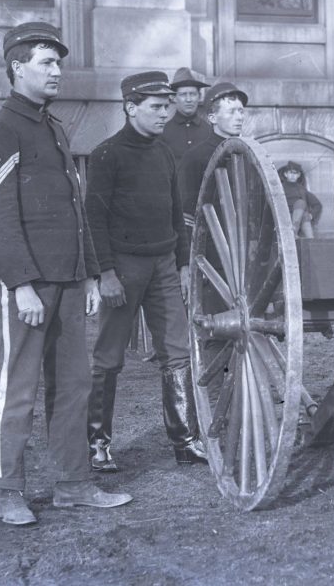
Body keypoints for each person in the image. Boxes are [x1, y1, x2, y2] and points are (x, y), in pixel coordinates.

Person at [0, 21, 132, 525]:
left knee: (73, 386)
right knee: (18, 388)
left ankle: (73, 484)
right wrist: (20, 284)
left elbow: (75, 209)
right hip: (31, 286)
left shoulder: (54, 127)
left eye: (58, 62)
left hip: (67, 282)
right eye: (46, 62)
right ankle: (9, 491)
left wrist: (86, 275)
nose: (56, 71)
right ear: (17, 67)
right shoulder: (1, 129)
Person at [85, 71, 208, 472]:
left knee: (176, 351)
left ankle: (185, 440)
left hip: (164, 266)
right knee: (108, 357)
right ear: (130, 107)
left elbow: (178, 215)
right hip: (122, 268)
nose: (163, 114)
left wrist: (185, 263)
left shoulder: (163, 153)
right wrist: (105, 273)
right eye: (155, 107)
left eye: (166, 106)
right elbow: (94, 220)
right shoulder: (106, 155)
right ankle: (98, 443)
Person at [179, 81, 249, 230]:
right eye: (231, 112)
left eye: (241, 111)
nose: (239, 117)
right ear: (212, 118)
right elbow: (188, 214)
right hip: (211, 245)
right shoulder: (194, 157)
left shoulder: (250, 155)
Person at [161, 67, 210, 160]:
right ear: (173, 97)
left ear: (199, 97)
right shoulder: (163, 133)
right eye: (183, 94)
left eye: (192, 94)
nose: (188, 99)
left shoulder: (209, 131)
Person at [278, 160, 322, 238]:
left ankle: (300, 234)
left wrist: (311, 215)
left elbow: (317, 205)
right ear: (286, 174)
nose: (293, 175)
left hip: (300, 218)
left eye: (295, 173)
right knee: (302, 205)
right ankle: (295, 231)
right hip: (285, 217)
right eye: (290, 173)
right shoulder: (280, 188)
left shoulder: (302, 189)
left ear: (298, 175)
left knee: (303, 209)